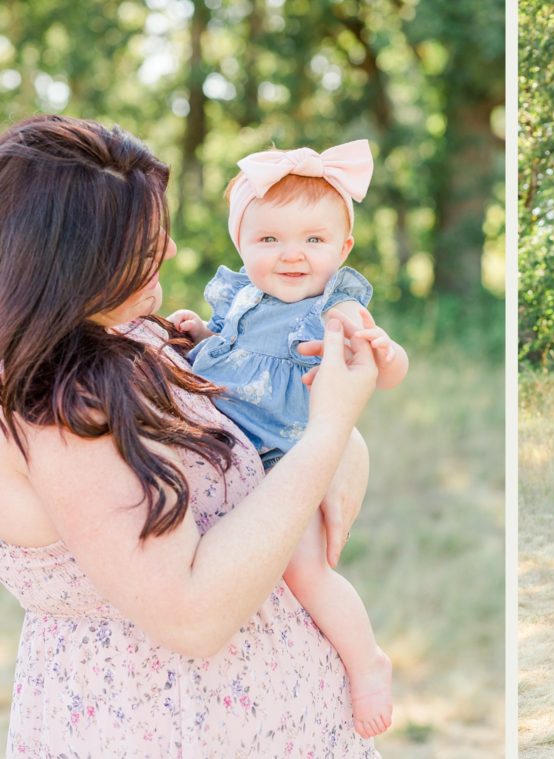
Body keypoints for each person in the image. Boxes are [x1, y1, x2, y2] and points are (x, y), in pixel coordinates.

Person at [0, 114, 381, 756]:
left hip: (284, 723)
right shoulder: (53, 401)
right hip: (164, 731)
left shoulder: (127, 336)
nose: (171, 252)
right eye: (146, 240)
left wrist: (347, 448)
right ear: (76, 259)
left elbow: (249, 443)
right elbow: (192, 613)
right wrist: (327, 436)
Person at [169, 142, 409, 738]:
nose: (292, 255)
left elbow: (388, 370)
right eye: (269, 240)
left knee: (303, 567)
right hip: (228, 447)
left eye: (313, 239)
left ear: (343, 248)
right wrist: (198, 334)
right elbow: (225, 352)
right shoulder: (241, 297)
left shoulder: (335, 309)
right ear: (242, 244)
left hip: (286, 458)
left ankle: (366, 661)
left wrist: (385, 354)